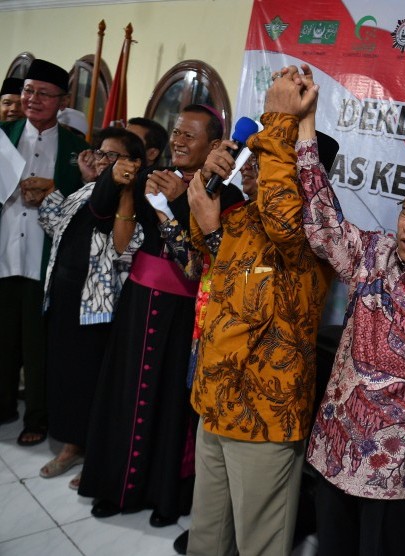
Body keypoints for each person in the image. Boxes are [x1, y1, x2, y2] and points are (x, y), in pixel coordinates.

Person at [290, 63, 405, 556]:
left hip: (403, 470)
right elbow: (322, 219)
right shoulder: (373, 254)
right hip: (341, 447)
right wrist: (306, 126)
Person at [185, 71, 336, 556]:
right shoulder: (247, 216)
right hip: (217, 400)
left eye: (269, 158)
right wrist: (204, 192)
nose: (253, 167)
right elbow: (225, 283)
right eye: (256, 158)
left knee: (260, 546)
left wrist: (279, 120)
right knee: (208, 537)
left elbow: (286, 227)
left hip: (264, 416)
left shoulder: (315, 230)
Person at [78, 104, 242, 527]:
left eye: (190, 136)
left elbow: (212, 255)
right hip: (137, 302)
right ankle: (114, 487)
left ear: (212, 144)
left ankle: (164, 497)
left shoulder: (229, 193)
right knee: (124, 392)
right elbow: (99, 216)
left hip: (186, 310)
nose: (179, 141)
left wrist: (177, 202)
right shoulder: (156, 174)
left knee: (171, 405)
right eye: (176, 133)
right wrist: (114, 181)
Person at [36, 127, 145, 489]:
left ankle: (94, 457)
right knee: (66, 374)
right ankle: (71, 446)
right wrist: (65, 188)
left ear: (133, 163)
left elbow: (123, 249)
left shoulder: (133, 197)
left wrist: (111, 185)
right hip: (64, 297)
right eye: (99, 152)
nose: (101, 159)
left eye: (111, 155)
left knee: (94, 383)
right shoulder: (88, 188)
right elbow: (53, 225)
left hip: (97, 306)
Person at [0, 59, 88, 445]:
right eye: (28, 91)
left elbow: (84, 203)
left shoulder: (76, 149)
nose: (32, 100)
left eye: (43, 94)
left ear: (62, 101)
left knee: (38, 345)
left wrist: (54, 190)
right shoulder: (3, 134)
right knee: (2, 339)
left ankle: (37, 417)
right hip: (4, 253)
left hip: (44, 258)